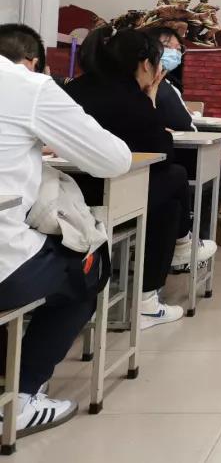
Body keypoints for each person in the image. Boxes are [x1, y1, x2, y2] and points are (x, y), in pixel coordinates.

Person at [0, 23, 131, 436]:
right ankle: (20, 399)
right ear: (35, 62)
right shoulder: (29, 88)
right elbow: (114, 160)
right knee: (87, 263)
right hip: (3, 261)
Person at [63, 27, 216, 325]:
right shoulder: (131, 97)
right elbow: (162, 152)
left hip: (66, 194)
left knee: (168, 199)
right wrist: (152, 100)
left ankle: (180, 249)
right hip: (103, 200)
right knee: (174, 178)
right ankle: (154, 289)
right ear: (146, 64)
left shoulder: (74, 89)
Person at [142, 26, 221, 240]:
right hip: (176, 156)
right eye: (168, 47)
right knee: (220, 173)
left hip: (176, 151)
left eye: (178, 48)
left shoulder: (165, 84)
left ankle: (193, 235)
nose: (174, 53)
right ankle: (198, 238)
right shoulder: (152, 86)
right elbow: (173, 123)